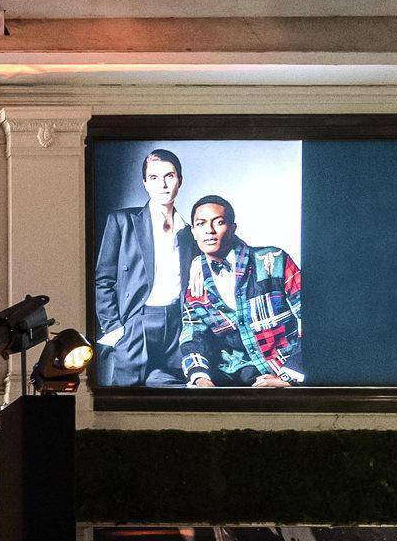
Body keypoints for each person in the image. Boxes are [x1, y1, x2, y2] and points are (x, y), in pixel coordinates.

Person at [171, 193, 302, 386]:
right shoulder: (197, 284)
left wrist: (288, 378)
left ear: (232, 228)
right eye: (201, 224)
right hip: (236, 379)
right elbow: (194, 336)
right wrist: (200, 378)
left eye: (219, 222)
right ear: (194, 232)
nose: (209, 231)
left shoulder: (273, 261)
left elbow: (313, 319)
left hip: (285, 370)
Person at [89, 146, 192, 386]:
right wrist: (114, 328)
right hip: (136, 321)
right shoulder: (122, 221)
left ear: (180, 180)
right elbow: (103, 279)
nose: (162, 184)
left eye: (169, 176)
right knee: (126, 395)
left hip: (176, 324)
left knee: (172, 393)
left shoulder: (189, 231)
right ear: (145, 183)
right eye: (154, 177)